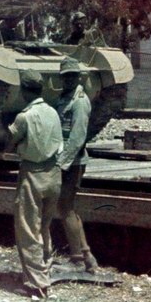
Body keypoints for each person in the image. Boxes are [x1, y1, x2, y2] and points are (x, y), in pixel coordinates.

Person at [8, 70, 64, 299]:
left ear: (23, 91)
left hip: (33, 173)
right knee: (43, 227)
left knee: (28, 230)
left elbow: (10, 140)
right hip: (54, 174)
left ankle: (37, 284)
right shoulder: (53, 112)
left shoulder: (24, 117)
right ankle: (44, 270)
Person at [55, 57, 98, 272]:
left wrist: (61, 164)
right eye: (66, 76)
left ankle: (78, 259)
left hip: (72, 162)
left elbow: (78, 137)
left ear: (78, 77)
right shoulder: (66, 97)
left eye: (73, 75)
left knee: (65, 209)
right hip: (69, 161)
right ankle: (87, 256)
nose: (69, 79)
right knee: (67, 208)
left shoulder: (79, 101)